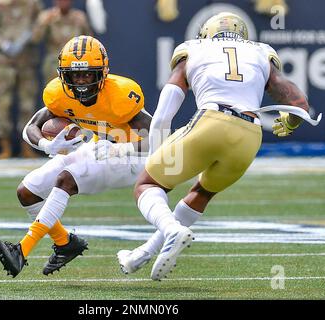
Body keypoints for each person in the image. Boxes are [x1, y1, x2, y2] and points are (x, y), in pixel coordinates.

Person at [117, 12, 311, 281]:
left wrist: (156, 159)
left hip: (212, 121)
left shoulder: (193, 48)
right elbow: (299, 105)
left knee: (147, 185)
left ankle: (172, 230)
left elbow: (163, 114)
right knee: (202, 192)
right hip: (250, 135)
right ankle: (145, 252)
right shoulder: (260, 52)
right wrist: (290, 123)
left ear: (205, 33)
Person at [0, 35, 151, 278]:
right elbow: (30, 127)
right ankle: (65, 243)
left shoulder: (121, 95)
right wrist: (48, 145)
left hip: (132, 158)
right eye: (75, 75)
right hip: (99, 146)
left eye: (87, 74)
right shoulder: (58, 94)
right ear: (64, 74)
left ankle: (21, 250)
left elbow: (157, 138)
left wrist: (121, 149)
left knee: (66, 179)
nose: (81, 81)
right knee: (28, 190)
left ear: (103, 73)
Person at [0, 0, 43, 159]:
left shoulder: (33, 4)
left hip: (27, 62)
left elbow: (40, 27)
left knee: (27, 105)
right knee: (2, 105)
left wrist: (30, 37)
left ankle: (27, 147)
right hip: (4, 63)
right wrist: (3, 44)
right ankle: (5, 147)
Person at [32, 0, 93, 84]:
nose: (63, 2)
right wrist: (43, 23)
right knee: (54, 93)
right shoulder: (48, 17)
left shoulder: (79, 17)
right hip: (54, 62)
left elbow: (90, 43)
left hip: (75, 63)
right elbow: (35, 38)